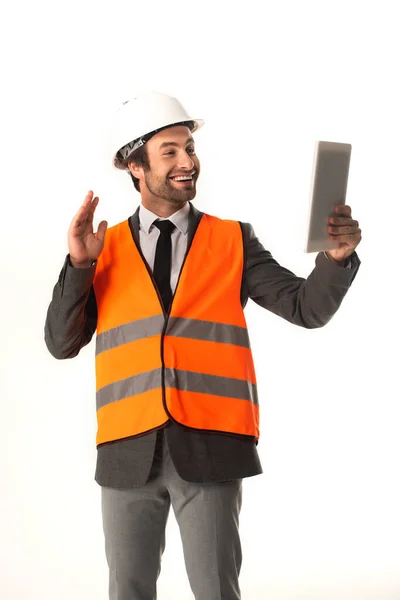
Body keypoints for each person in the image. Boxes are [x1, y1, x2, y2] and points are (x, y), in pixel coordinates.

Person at [44, 91, 362, 600]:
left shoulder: (234, 239)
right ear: (134, 164)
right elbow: (62, 344)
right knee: (128, 590)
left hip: (212, 446)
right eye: (169, 151)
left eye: (189, 148)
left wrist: (337, 260)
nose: (187, 162)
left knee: (215, 590)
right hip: (128, 451)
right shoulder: (103, 248)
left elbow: (306, 309)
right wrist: (80, 266)